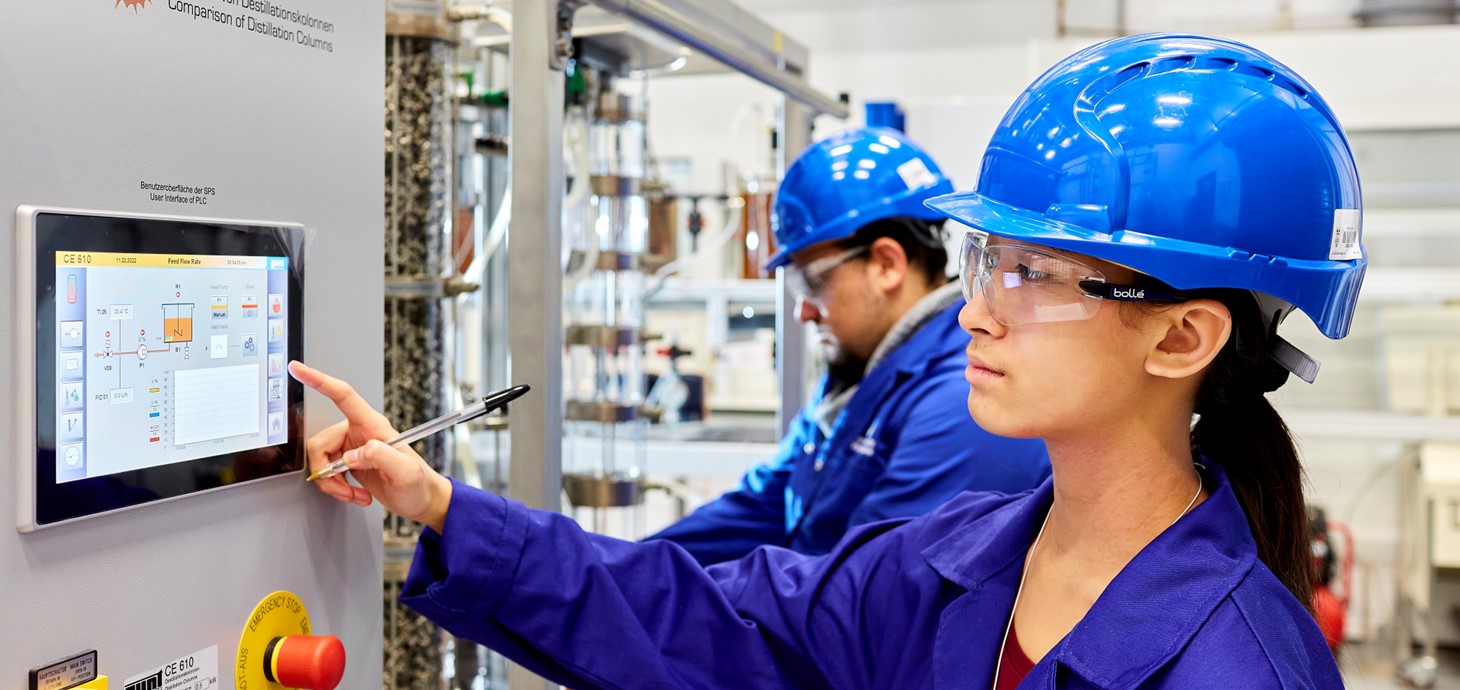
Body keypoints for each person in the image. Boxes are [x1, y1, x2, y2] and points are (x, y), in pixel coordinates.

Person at [294, 33, 1353, 688]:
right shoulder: (955, 561)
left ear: (1181, 336)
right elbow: (697, 617)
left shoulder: (1238, 665)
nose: (975, 314)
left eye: (1031, 273)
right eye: (987, 261)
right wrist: (438, 503)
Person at [645, 127, 1048, 564]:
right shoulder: (857, 372)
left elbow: (864, 592)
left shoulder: (960, 401)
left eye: (812, 282)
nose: (803, 311)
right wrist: (624, 575)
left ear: (886, 264)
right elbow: (761, 505)